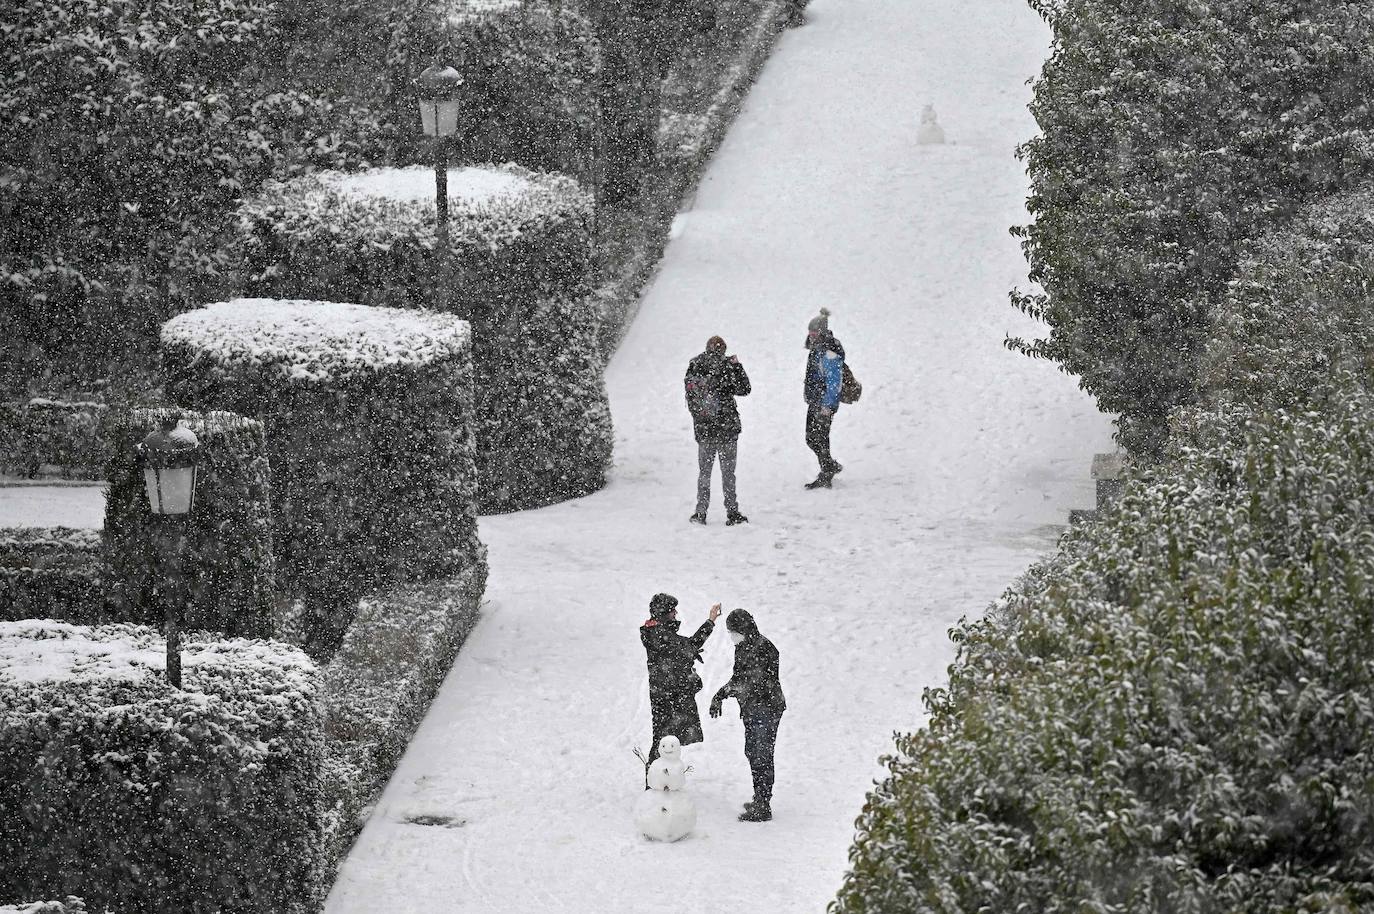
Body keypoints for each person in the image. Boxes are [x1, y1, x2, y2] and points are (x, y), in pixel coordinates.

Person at [709, 608, 785, 822]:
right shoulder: (744, 647)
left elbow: (749, 682)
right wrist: (721, 694)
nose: (732, 636)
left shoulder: (761, 648)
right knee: (753, 751)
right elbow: (739, 678)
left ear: (743, 629)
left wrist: (723, 694)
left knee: (762, 753)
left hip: (767, 708)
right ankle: (759, 796)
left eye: (733, 631)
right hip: (754, 708)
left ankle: (763, 804)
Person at [641, 594, 722, 769]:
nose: (676, 612)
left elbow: (686, 648)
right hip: (668, 697)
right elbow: (690, 646)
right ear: (663, 613)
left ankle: (662, 780)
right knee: (663, 741)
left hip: (668, 696)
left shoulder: (658, 633)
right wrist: (710, 622)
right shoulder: (659, 635)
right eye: (672, 610)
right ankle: (655, 781)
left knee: (666, 741)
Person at [684, 335, 752, 525]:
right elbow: (745, 389)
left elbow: (690, 396)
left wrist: (699, 418)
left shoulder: (696, 365)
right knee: (728, 473)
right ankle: (732, 512)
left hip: (705, 428)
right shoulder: (727, 366)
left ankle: (700, 513)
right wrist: (737, 365)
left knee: (704, 473)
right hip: (726, 428)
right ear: (723, 349)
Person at [802, 308, 845, 489]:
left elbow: (834, 382)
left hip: (824, 403)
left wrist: (827, 406)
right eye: (809, 332)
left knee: (818, 437)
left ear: (821, 331)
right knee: (813, 438)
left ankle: (826, 471)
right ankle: (829, 466)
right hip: (816, 401)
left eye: (814, 332)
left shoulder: (829, 351)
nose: (811, 335)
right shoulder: (818, 348)